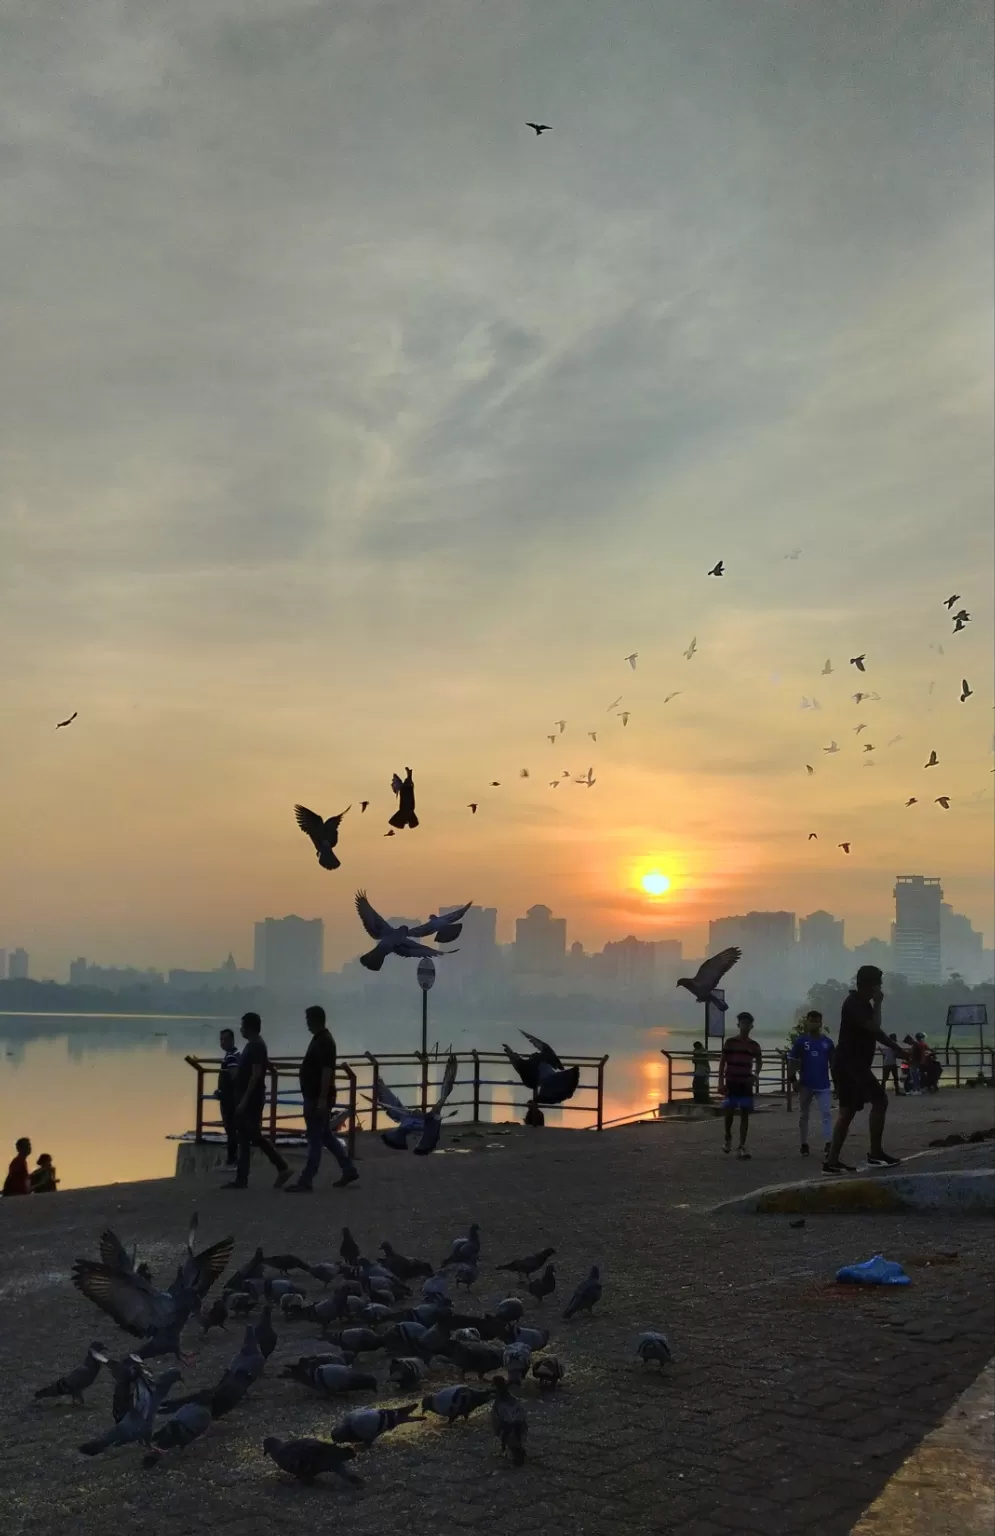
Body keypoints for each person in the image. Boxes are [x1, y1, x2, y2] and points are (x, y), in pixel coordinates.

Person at [824, 966, 908, 1174]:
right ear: (870, 984)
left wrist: (878, 1004)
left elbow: (875, 1025)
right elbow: (875, 1031)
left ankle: (832, 1162)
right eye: (878, 983)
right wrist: (898, 1049)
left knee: (848, 1111)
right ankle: (875, 1154)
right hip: (850, 1064)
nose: (879, 987)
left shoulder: (864, 1004)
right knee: (880, 1100)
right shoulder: (853, 1004)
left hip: (852, 1063)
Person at [285, 1005, 358, 1192]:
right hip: (315, 1096)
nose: (306, 1023)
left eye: (308, 1019)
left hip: (317, 1097)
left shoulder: (324, 1041)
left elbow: (327, 1071)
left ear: (314, 1020)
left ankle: (306, 1179)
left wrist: (323, 1099)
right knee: (325, 1136)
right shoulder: (320, 1039)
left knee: (315, 1138)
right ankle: (348, 1169)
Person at [222, 1013, 292, 1190]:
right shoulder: (253, 1045)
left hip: (251, 1099)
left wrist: (244, 1100)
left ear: (250, 1027)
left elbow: (255, 1075)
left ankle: (282, 1166)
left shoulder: (257, 1046)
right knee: (244, 1136)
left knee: (254, 1134)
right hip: (246, 1097)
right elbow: (260, 1065)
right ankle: (241, 1178)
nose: (241, 1029)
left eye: (243, 1026)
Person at [789, 1011, 835, 1158]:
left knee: (827, 1113)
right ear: (807, 1022)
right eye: (811, 1020)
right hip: (805, 1084)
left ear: (821, 1023)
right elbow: (792, 1062)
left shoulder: (828, 1043)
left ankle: (829, 1143)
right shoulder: (801, 1042)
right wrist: (793, 1080)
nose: (814, 1023)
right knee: (804, 1115)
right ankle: (804, 1144)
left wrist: (838, 1084)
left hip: (823, 1085)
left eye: (817, 1021)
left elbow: (833, 1064)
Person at [718, 1013, 763, 1159]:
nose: (745, 1026)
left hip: (745, 1083)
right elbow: (722, 1062)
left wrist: (755, 1076)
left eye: (748, 1024)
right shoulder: (730, 1042)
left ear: (751, 1026)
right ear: (738, 1025)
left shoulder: (754, 1045)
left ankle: (742, 1145)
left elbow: (759, 1061)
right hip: (731, 1081)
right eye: (742, 1023)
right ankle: (727, 1136)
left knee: (745, 1113)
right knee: (729, 1112)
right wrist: (720, 1082)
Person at [215, 1027, 241, 1166]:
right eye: (221, 1039)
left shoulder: (231, 1057)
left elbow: (234, 1076)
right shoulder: (236, 1054)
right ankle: (234, 1158)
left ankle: (232, 1159)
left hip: (230, 1099)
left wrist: (223, 1092)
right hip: (230, 1097)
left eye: (225, 1039)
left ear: (231, 1040)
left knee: (230, 1128)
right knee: (232, 1128)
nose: (222, 1042)